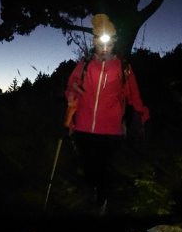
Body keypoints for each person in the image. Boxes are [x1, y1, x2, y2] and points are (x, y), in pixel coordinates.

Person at [64, 13, 149, 215]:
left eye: (108, 44)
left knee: (105, 168)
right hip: (83, 126)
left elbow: (134, 95)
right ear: (94, 42)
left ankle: (102, 202)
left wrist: (142, 116)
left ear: (113, 44)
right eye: (100, 43)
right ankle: (93, 192)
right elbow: (70, 86)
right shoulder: (84, 65)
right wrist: (71, 93)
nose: (104, 48)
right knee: (88, 166)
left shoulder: (124, 68)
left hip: (111, 130)